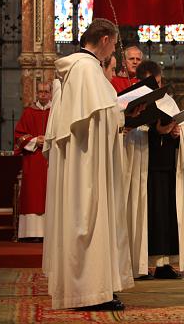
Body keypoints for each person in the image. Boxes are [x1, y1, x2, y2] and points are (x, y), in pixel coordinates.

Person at [42, 18, 133, 311]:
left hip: (84, 159)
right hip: (87, 163)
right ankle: (89, 292)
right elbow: (100, 117)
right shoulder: (86, 69)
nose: (112, 52)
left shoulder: (77, 69)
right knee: (89, 218)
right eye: (113, 43)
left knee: (86, 218)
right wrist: (123, 113)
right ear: (105, 39)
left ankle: (95, 290)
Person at [124, 60, 184, 280]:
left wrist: (175, 132)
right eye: (152, 85)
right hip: (143, 166)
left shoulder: (168, 101)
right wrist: (155, 131)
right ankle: (141, 265)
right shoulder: (133, 102)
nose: (156, 89)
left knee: (167, 215)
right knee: (145, 214)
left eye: (159, 84)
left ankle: (164, 264)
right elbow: (129, 130)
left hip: (167, 165)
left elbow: (179, 129)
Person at [14, 81, 52, 242]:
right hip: (33, 159)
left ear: (51, 93)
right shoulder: (28, 112)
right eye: (40, 92)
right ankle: (30, 232)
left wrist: (49, 141)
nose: (42, 95)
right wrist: (36, 140)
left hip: (51, 158)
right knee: (33, 194)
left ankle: (50, 232)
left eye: (45, 92)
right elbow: (18, 136)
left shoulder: (56, 111)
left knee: (49, 194)